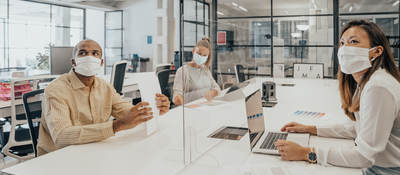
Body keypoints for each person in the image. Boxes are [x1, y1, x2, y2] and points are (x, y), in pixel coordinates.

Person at [274, 20, 400, 174]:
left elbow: (364, 156)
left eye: (353, 41)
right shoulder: (368, 81)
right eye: (342, 43)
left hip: (385, 171)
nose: (345, 48)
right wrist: (310, 129)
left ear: (377, 51)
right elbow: (358, 129)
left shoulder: (378, 87)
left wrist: (306, 153)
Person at [37, 40, 170, 156]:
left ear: (101, 63)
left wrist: (153, 108)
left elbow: (126, 111)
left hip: (93, 150)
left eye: (95, 53)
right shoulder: (55, 90)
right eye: (83, 53)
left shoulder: (105, 87)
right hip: (58, 158)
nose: (89, 57)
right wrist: (116, 126)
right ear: (74, 62)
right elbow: (61, 137)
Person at [173, 37, 221, 105]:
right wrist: (186, 106)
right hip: (190, 110)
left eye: (204, 55)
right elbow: (176, 97)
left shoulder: (205, 70)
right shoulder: (182, 71)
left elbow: (217, 88)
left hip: (205, 107)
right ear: (193, 51)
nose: (201, 57)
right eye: (199, 53)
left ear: (207, 57)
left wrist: (213, 93)